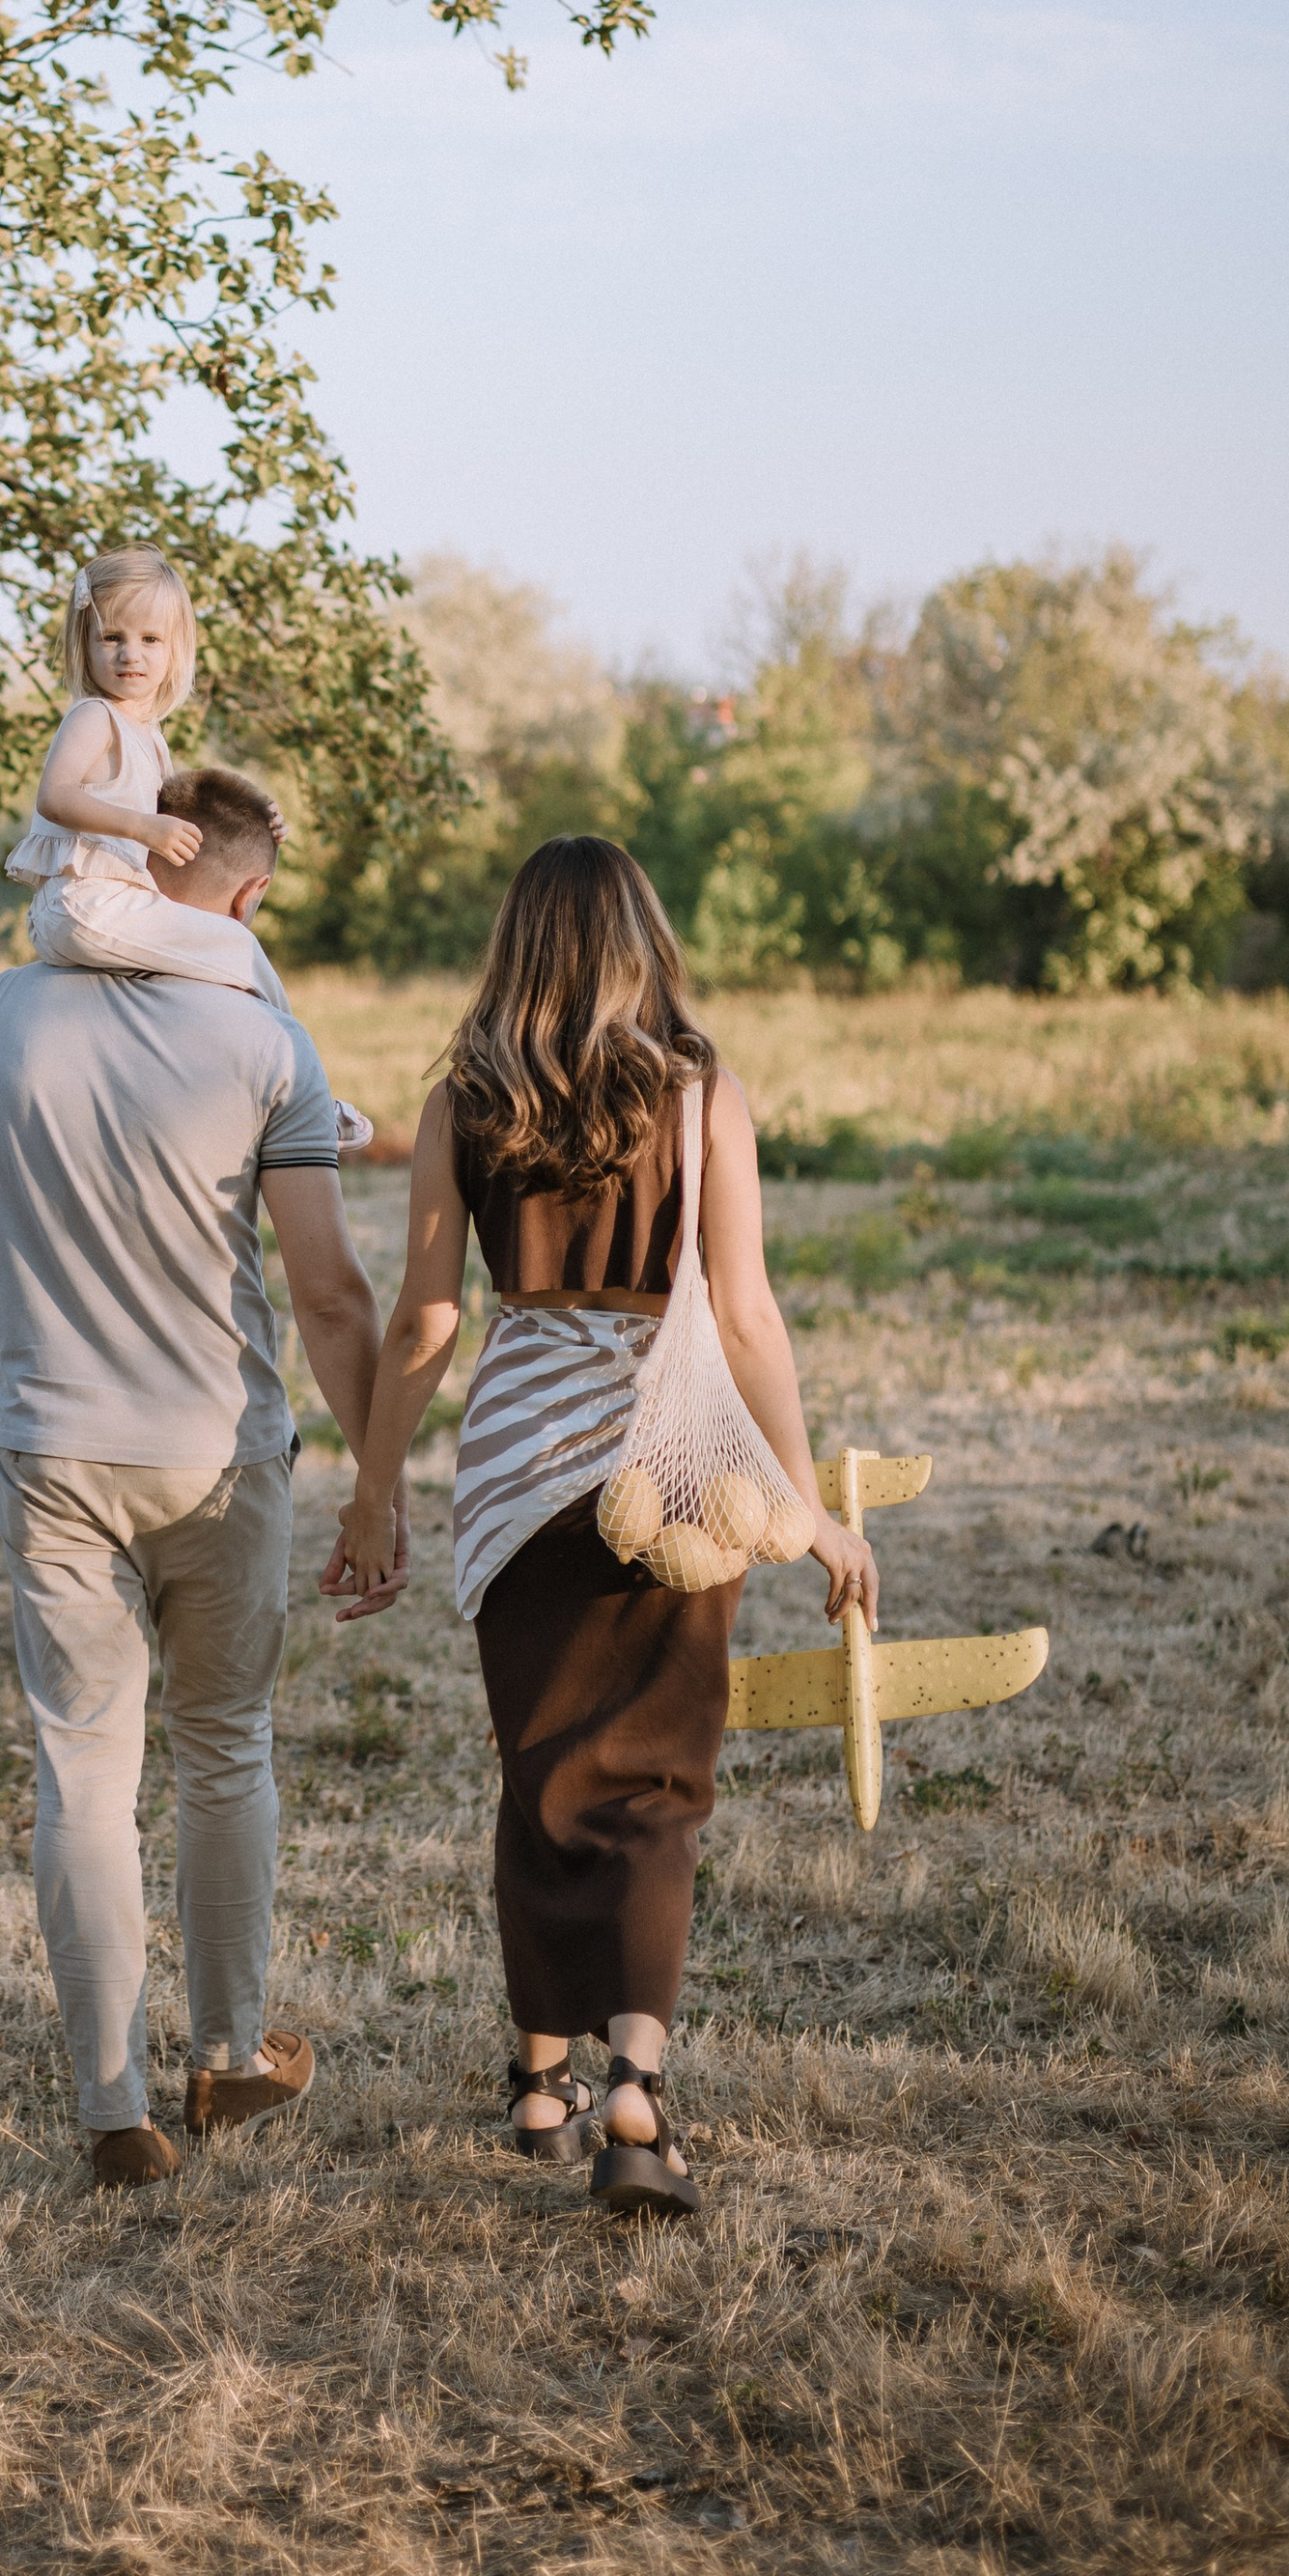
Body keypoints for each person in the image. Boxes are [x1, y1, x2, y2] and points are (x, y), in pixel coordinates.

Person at [329, 837, 878, 2219]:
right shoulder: (703, 1100)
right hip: (674, 1455)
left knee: (545, 1772)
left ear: (519, 946)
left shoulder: (464, 1100)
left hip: (518, 1467)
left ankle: (538, 2084)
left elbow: (427, 1319)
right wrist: (800, 1507)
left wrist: (376, 1490)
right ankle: (633, 2090)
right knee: (653, 1791)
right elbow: (746, 1317)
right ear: (645, 936)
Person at [0, 762, 406, 2188]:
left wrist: (37, 1146)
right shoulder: (263, 1042)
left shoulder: (0, 1010)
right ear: (238, 897)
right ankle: (230, 2063)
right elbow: (335, 1296)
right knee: (222, 1747)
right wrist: (379, 1486)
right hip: (218, 1457)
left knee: (83, 1773)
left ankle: (112, 2108)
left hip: (53, 1450)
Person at [4, 546, 372, 1152]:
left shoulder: (149, 734)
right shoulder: (95, 717)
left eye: (151, 639)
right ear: (84, 642)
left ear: (176, 649)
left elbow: (193, 815)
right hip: (86, 905)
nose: (131, 654)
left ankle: (262, 1083)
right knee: (237, 948)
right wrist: (142, 829)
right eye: (112, 637)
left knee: (211, 967)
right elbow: (54, 797)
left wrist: (260, 821)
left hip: (109, 905)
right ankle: (307, 1091)